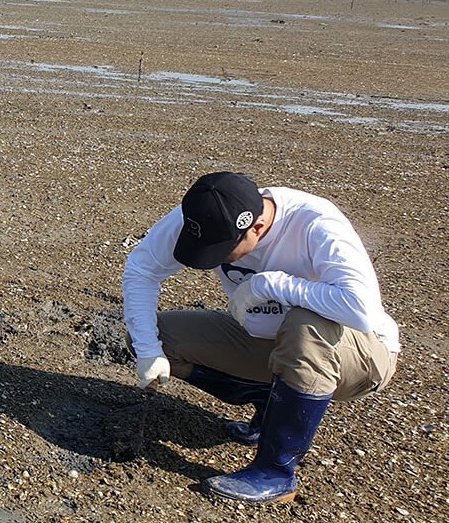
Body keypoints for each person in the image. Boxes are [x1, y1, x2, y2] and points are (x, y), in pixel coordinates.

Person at [122, 172, 400, 503]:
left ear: (256, 227)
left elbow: (360, 309)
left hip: (363, 357)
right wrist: (149, 351)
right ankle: (271, 406)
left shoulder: (315, 223)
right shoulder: (205, 212)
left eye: (223, 249)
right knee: (152, 337)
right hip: (270, 343)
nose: (215, 258)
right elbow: (141, 269)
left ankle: (276, 472)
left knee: (304, 323)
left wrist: (269, 284)